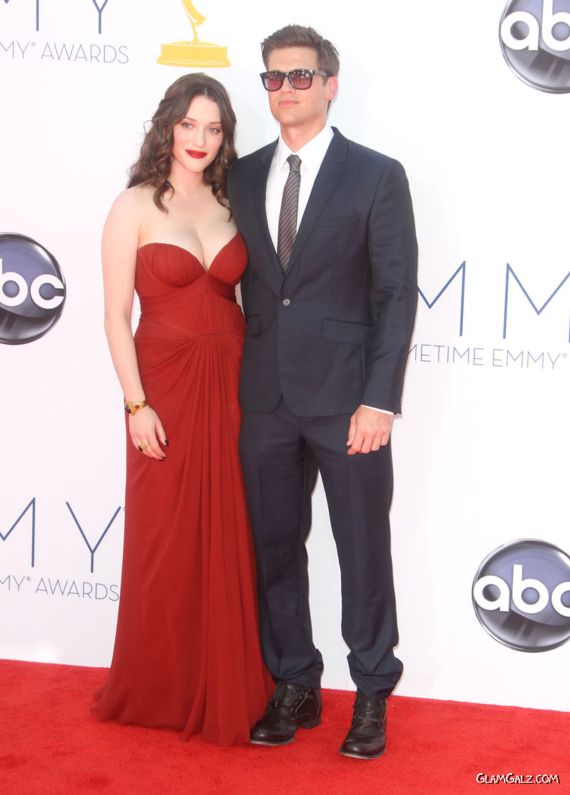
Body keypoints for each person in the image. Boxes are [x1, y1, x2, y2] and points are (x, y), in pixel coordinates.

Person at [228, 26, 418, 759]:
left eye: (301, 76)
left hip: (348, 403)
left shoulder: (375, 175)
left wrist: (380, 399)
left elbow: (396, 293)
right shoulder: (242, 176)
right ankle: (294, 681)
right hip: (265, 397)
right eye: (274, 78)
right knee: (275, 548)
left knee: (362, 549)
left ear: (330, 84)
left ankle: (371, 692)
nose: (286, 89)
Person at [92, 73, 272, 746]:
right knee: (165, 541)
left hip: (232, 384)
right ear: (168, 125)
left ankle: (224, 680)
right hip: (162, 389)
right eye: (190, 124)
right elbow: (114, 316)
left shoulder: (232, 202)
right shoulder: (133, 205)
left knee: (228, 533)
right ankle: (162, 685)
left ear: (225, 136)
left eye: (214, 128)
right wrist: (136, 404)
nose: (200, 139)